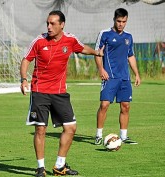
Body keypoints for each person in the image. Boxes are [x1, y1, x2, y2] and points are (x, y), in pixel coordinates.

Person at [20, 10, 103, 177]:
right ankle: (40, 168)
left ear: (62, 25)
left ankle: (59, 166)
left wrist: (96, 52)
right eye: (47, 24)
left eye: (53, 24)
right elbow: (26, 59)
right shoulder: (39, 41)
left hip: (59, 93)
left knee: (71, 128)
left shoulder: (70, 40)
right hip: (40, 92)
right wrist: (23, 79)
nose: (49, 27)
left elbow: (82, 48)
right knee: (40, 130)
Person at [93, 8, 141, 146]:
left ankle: (124, 137)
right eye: (119, 21)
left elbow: (130, 56)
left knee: (125, 106)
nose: (121, 24)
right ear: (114, 19)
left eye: (124, 21)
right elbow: (98, 53)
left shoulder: (128, 37)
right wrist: (101, 69)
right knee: (104, 105)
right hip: (110, 77)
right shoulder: (105, 34)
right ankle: (98, 135)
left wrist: (136, 74)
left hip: (124, 78)